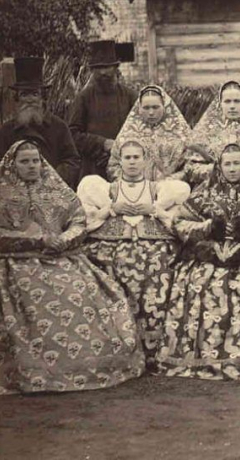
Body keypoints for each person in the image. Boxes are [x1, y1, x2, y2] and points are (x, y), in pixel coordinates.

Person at [0, 140, 144, 395]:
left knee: (78, 290)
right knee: (31, 293)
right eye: (24, 162)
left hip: (60, 257)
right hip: (15, 260)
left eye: (36, 161)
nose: (32, 166)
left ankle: (89, 361)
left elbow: (78, 221)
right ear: (12, 165)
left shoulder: (57, 191)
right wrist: (38, 240)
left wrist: (63, 239)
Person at [158, 144, 240, 380]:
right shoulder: (204, 192)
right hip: (210, 255)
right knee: (200, 284)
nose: (232, 169)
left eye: (236, 163)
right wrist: (207, 228)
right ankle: (203, 356)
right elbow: (179, 224)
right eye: (227, 164)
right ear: (219, 166)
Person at [78, 139, 188, 370]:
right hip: (113, 244)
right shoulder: (107, 189)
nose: (132, 162)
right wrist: (111, 209)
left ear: (145, 161)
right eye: (127, 157)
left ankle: (154, 347)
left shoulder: (159, 189)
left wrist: (155, 210)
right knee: (108, 265)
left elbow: (177, 221)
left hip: (153, 244)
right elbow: (88, 221)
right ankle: (119, 344)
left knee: (159, 266)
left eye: (136, 157)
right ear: (119, 161)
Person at [0, 57, 80, 187]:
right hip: (17, 192)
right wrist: (19, 176)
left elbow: (72, 161)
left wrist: (50, 177)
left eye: (35, 94)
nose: (30, 100)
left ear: (42, 98)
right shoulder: (6, 131)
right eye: (24, 94)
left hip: (53, 191)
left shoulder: (59, 127)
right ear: (17, 99)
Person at [68, 40, 138, 181]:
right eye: (98, 68)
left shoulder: (130, 96)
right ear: (92, 70)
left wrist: (120, 150)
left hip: (126, 167)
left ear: (116, 67)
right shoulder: (84, 98)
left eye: (107, 67)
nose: (103, 72)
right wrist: (102, 144)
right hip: (93, 169)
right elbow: (73, 135)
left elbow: (141, 131)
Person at [107, 85, 191, 182]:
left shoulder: (182, 135)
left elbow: (189, 166)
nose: (151, 112)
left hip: (168, 187)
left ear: (165, 107)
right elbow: (113, 166)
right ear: (139, 108)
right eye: (146, 108)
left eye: (155, 107)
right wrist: (130, 180)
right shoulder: (126, 135)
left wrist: (172, 180)